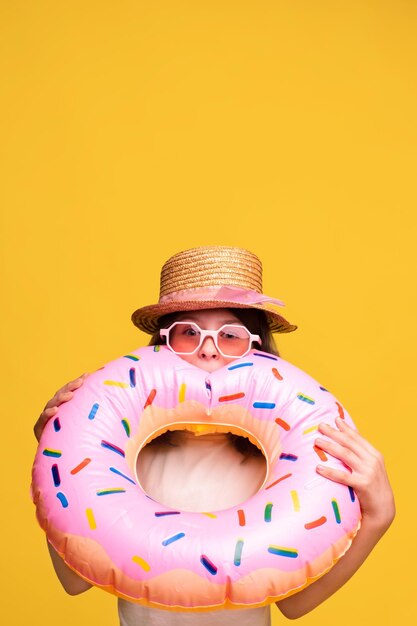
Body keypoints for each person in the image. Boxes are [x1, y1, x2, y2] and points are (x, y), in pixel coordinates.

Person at [34, 246, 395, 625]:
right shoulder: (128, 461)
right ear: (161, 345)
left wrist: (378, 517)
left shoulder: (276, 470)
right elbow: (74, 581)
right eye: (188, 331)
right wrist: (54, 455)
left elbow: (293, 604)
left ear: (257, 346)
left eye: (231, 334)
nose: (209, 350)